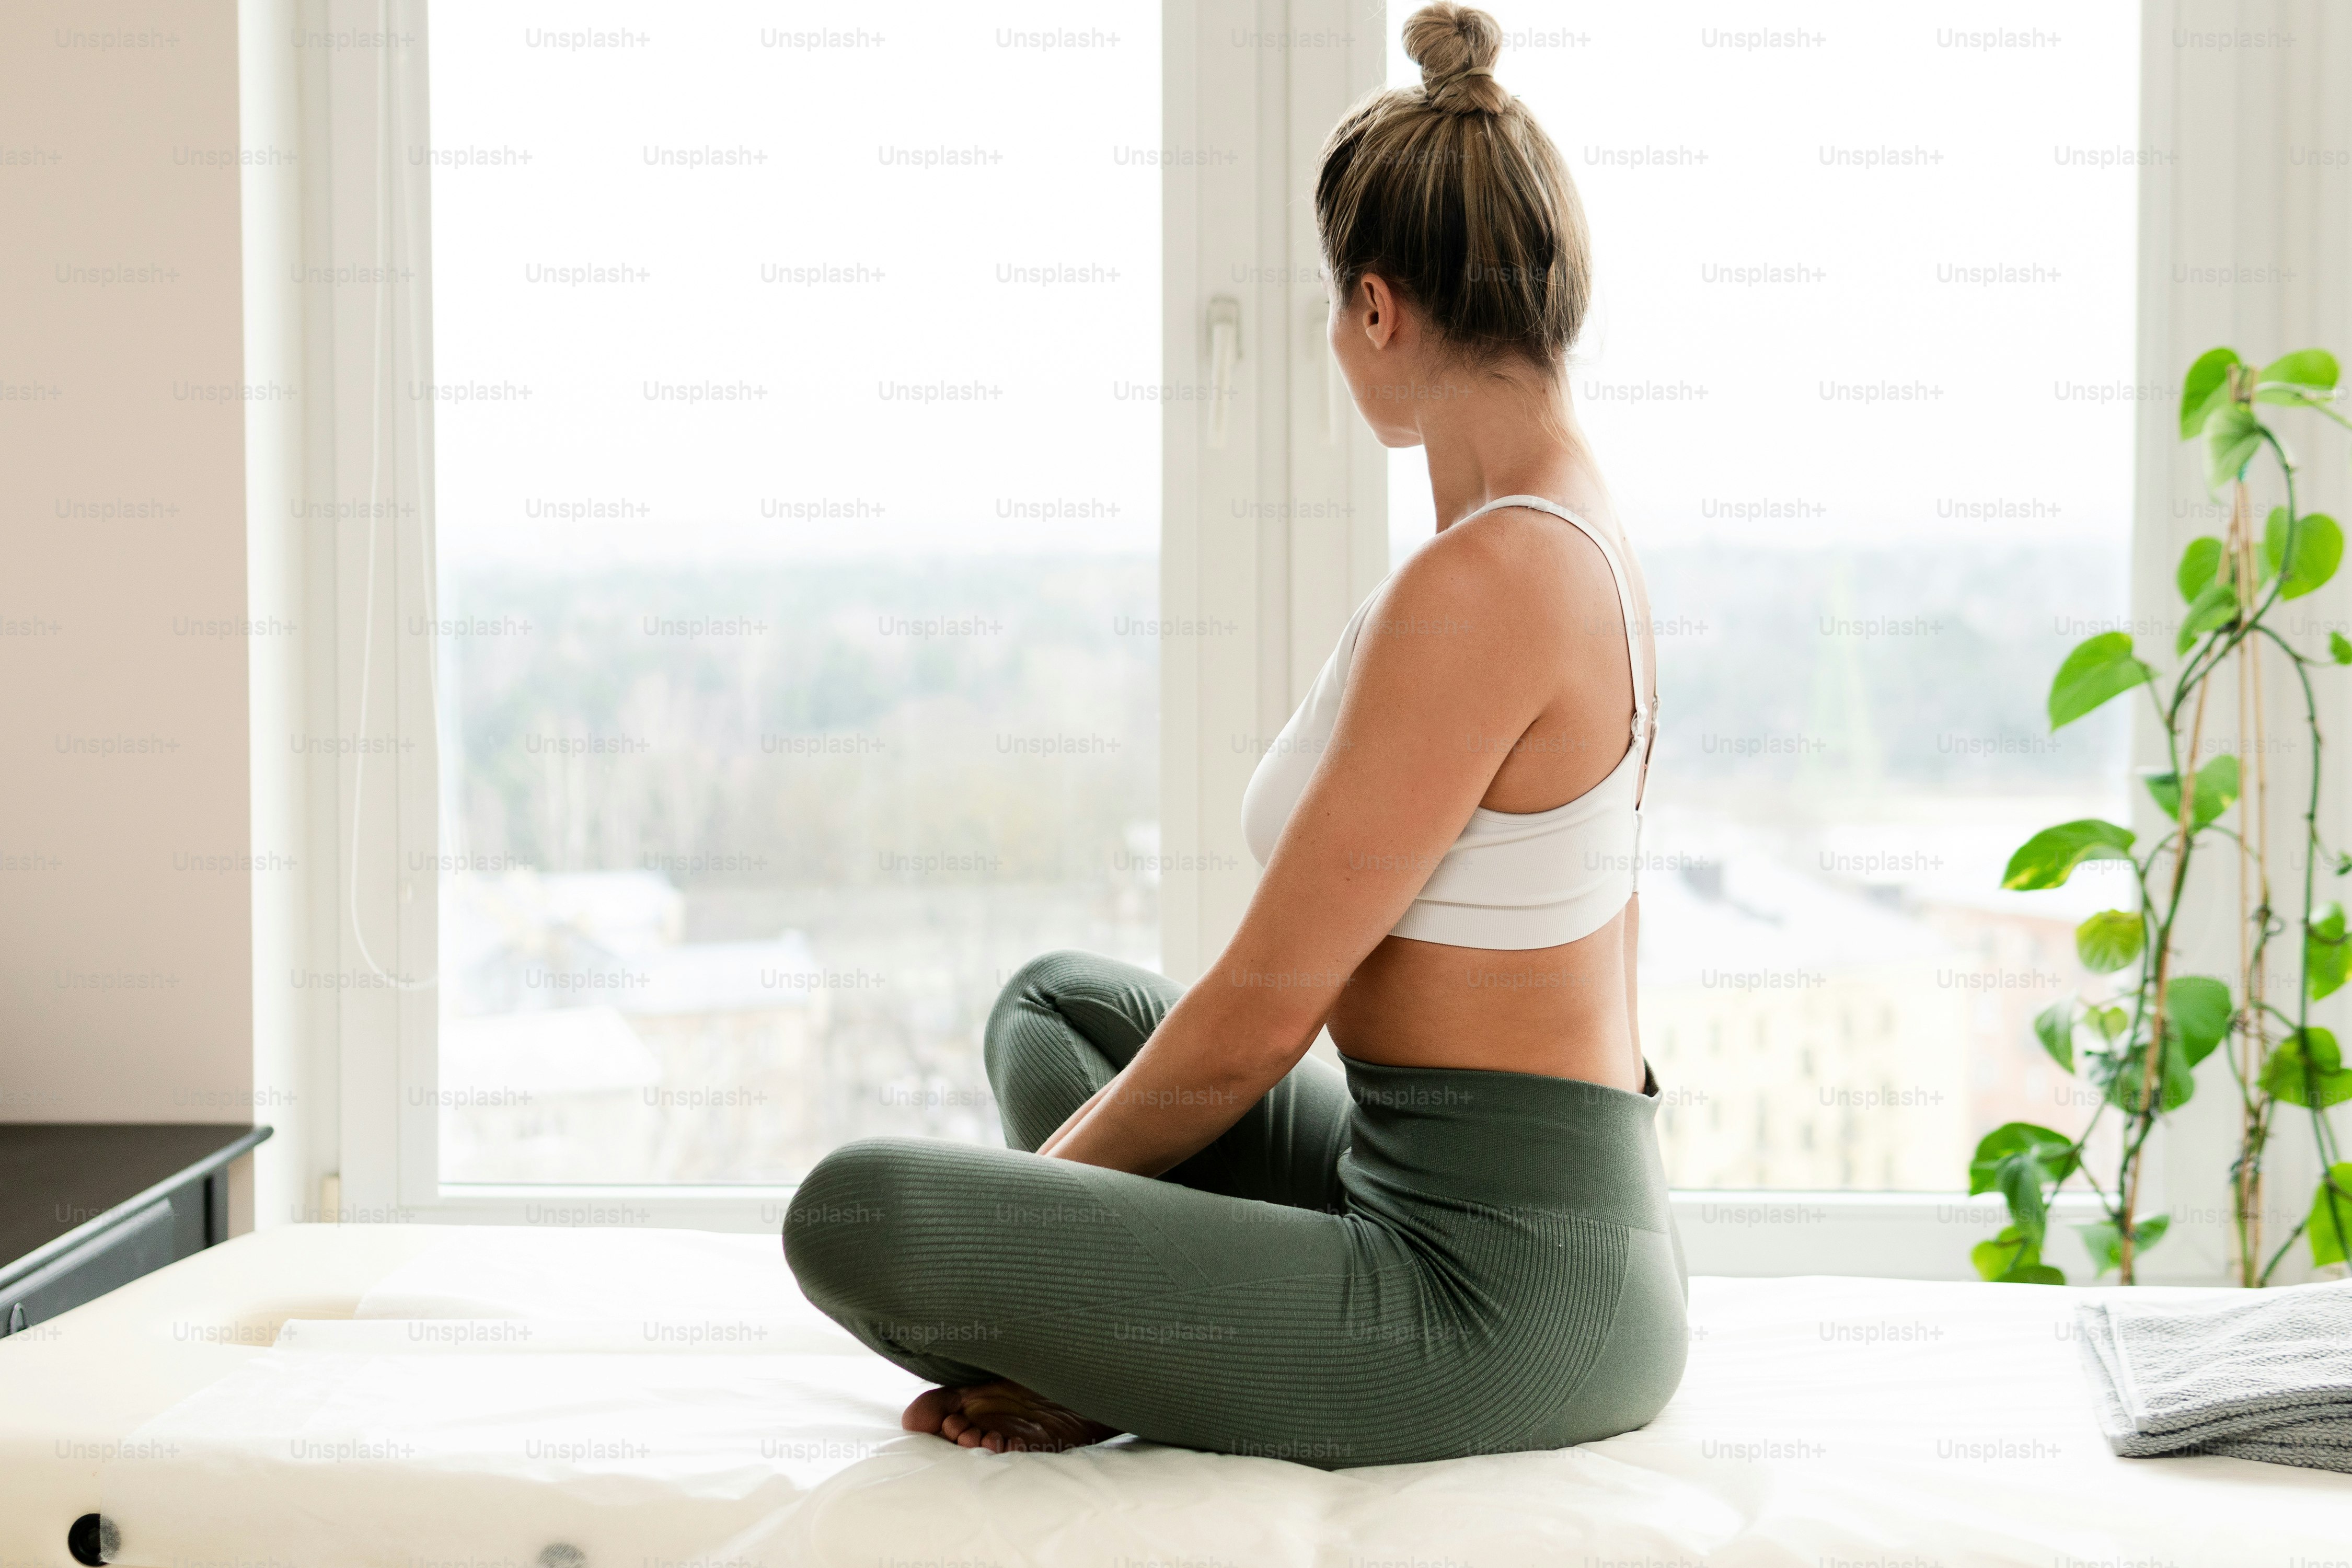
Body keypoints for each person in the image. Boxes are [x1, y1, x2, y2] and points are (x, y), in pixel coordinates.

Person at [784, 0, 1685, 1469]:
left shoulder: (1496, 580)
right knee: (1058, 1009)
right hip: (1410, 1174)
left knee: (857, 1213)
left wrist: (1042, 1237)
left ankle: (1134, 1341)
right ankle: (1169, 1337)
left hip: (1501, 1292)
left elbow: (1265, 1022)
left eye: (1335, 311)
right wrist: (1066, 1250)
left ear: (1377, 310)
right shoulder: (1554, 532)